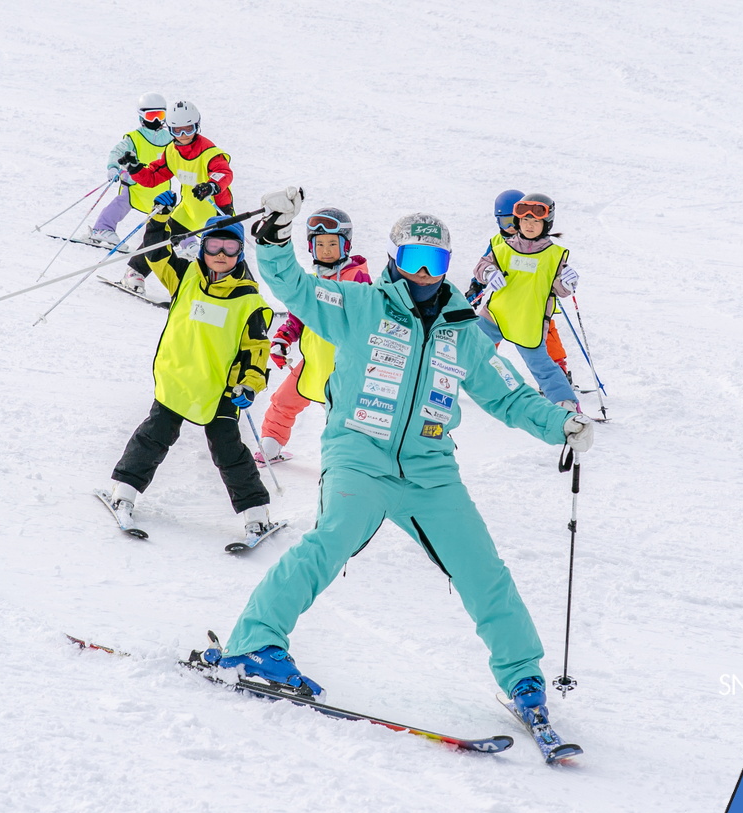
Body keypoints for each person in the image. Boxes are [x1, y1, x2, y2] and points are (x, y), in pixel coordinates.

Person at [203, 187, 594, 730]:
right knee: (329, 541)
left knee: (483, 570)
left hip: (430, 472)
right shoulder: (360, 305)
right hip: (359, 456)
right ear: (394, 259)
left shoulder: (462, 331)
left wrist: (560, 422)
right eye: (415, 259)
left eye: (436, 261)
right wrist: (271, 236)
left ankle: (522, 677)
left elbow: (505, 393)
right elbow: (295, 286)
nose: (426, 272)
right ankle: (255, 643)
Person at [104, 190, 274, 540]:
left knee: (228, 449)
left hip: (221, 388)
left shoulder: (248, 299)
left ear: (240, 252)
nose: (221, 255)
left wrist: (249, 384)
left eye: (230, 249)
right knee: (154, 436)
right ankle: (124, 494)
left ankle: (256, 515)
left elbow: (256, 349)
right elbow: (156, 253)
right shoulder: (184, 278)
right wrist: (160, 217)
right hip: (179, 377)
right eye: (213, 247)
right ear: (202, 248)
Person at [257, 208, 371, 464]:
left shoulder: (357, 277)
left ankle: (351, 459)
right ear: (311, 247)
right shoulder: (310, 281)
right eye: (320, 244)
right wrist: (282, 339)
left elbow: (367, 314)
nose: (327, 250)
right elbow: (298, 315)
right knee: (284, 401)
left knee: (343, 415)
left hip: (344, 367)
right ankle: (270, 445)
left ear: (346, 245)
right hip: (313, 362)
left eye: (333, 243)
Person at [470, 192, 581, 411]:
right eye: (525, 220)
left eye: (536, 221)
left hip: (528, 322)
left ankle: (567, 408)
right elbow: (481, 267)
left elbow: (560, 289)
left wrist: (568, 283)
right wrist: (489, 272)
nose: (529, 225)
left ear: (546, 224)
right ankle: (436, 383)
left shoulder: (554, 255)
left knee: (542, 368)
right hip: (495, 316)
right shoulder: (503, 247)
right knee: (466, 345)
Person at [116, 101, 233, 255]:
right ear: (170, 129)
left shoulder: (209, 152)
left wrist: (211, 186)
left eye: (188, 129)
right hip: (189, 208)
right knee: (161, 236)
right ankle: (135, 273)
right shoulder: (172, 151)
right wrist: (135, 168)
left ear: (197, 126)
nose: (183, 135)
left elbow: (224, 172)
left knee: (223, 251)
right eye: (177, 130)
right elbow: (153, 177)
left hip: (215, 210)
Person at [86, 93, 172, 292]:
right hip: (134, 182)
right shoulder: (134, 137)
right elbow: (117, 152)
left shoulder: (171, 138)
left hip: (158, 187)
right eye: (152, 116)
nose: (157, 121)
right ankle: (102, 229)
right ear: (141, 117)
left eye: (160, 115)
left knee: (170, 217)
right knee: (123, 202)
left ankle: (187, 242)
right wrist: (113, 167)